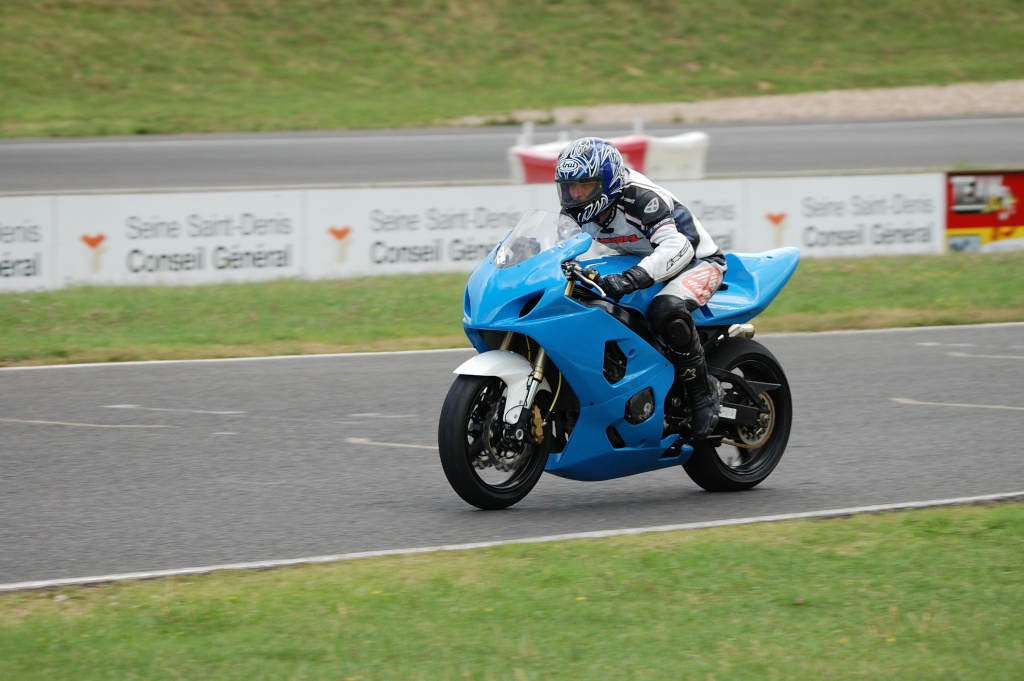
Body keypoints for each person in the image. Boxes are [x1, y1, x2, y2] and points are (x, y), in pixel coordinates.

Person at [555, 136, 726, 439]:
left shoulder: (642, 198)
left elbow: (678, 248)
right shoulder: (574, 209)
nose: (575, 194)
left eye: (584, 185)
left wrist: (630, 279)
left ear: (606, 182)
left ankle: (703, 394)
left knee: (666, 310)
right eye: (569, 186)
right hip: (639, 260)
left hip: (696, 261)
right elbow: (559, 251)